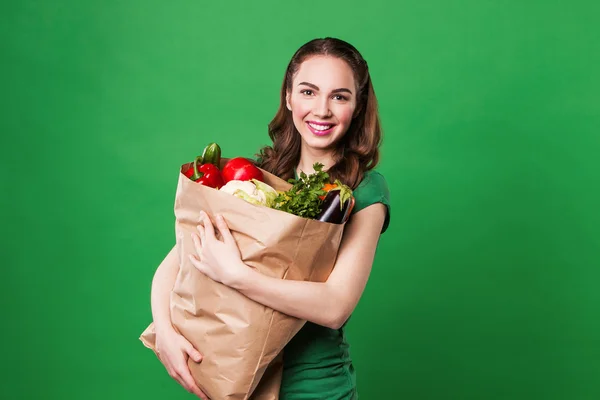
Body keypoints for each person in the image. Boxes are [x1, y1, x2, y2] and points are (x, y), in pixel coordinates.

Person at [150, 37, 391, 399]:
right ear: (289, 97)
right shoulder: (254, 178)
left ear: (357, 108)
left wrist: (237, 276)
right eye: (308, 92)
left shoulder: (364, 191)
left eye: (339, 97)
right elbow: (178, 260)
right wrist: (165, 334)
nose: (322, 110)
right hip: (240, 380)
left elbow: (334, 306)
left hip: (316, 389)